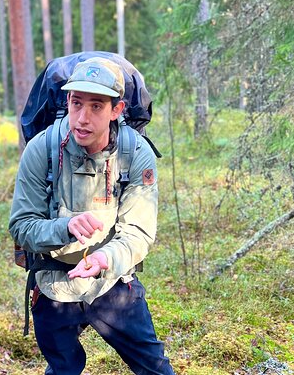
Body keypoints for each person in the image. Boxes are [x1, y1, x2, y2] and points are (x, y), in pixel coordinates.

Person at [9, 57, 174, 375]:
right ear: (67, 102)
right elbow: (21, 225)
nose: (82, 118)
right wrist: (65, 226)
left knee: (156, 369)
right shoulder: (42, 149)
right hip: (54, 283)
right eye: (76, 103)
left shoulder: (135, 153)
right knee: (63, 369)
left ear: (117, 110)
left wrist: (104, 259)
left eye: (96, 106)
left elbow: (138, 232)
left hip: (112, 283)